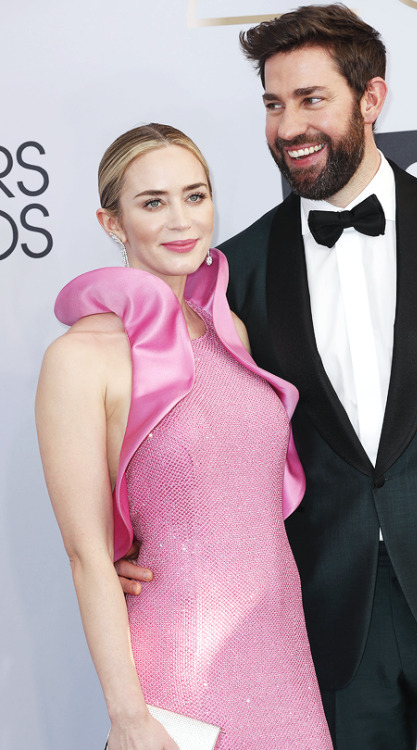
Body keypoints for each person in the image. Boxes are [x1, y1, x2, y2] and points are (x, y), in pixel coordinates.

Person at [115, 6, 417, 750]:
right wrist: (127, 541)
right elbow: (198, 430)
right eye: (272, 103)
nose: (288, 125)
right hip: (326, 628)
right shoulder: (232, 269)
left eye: (311, 99)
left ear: (372, 99)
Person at [35, 123, 334, 750]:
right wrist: (129, 716)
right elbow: (88, 556)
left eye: (195, 196)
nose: (182, 220)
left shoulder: (230, 332)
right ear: (112, 222)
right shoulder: (81, 358)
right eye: (153, 202)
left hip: (282, 656)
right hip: (178, 671)